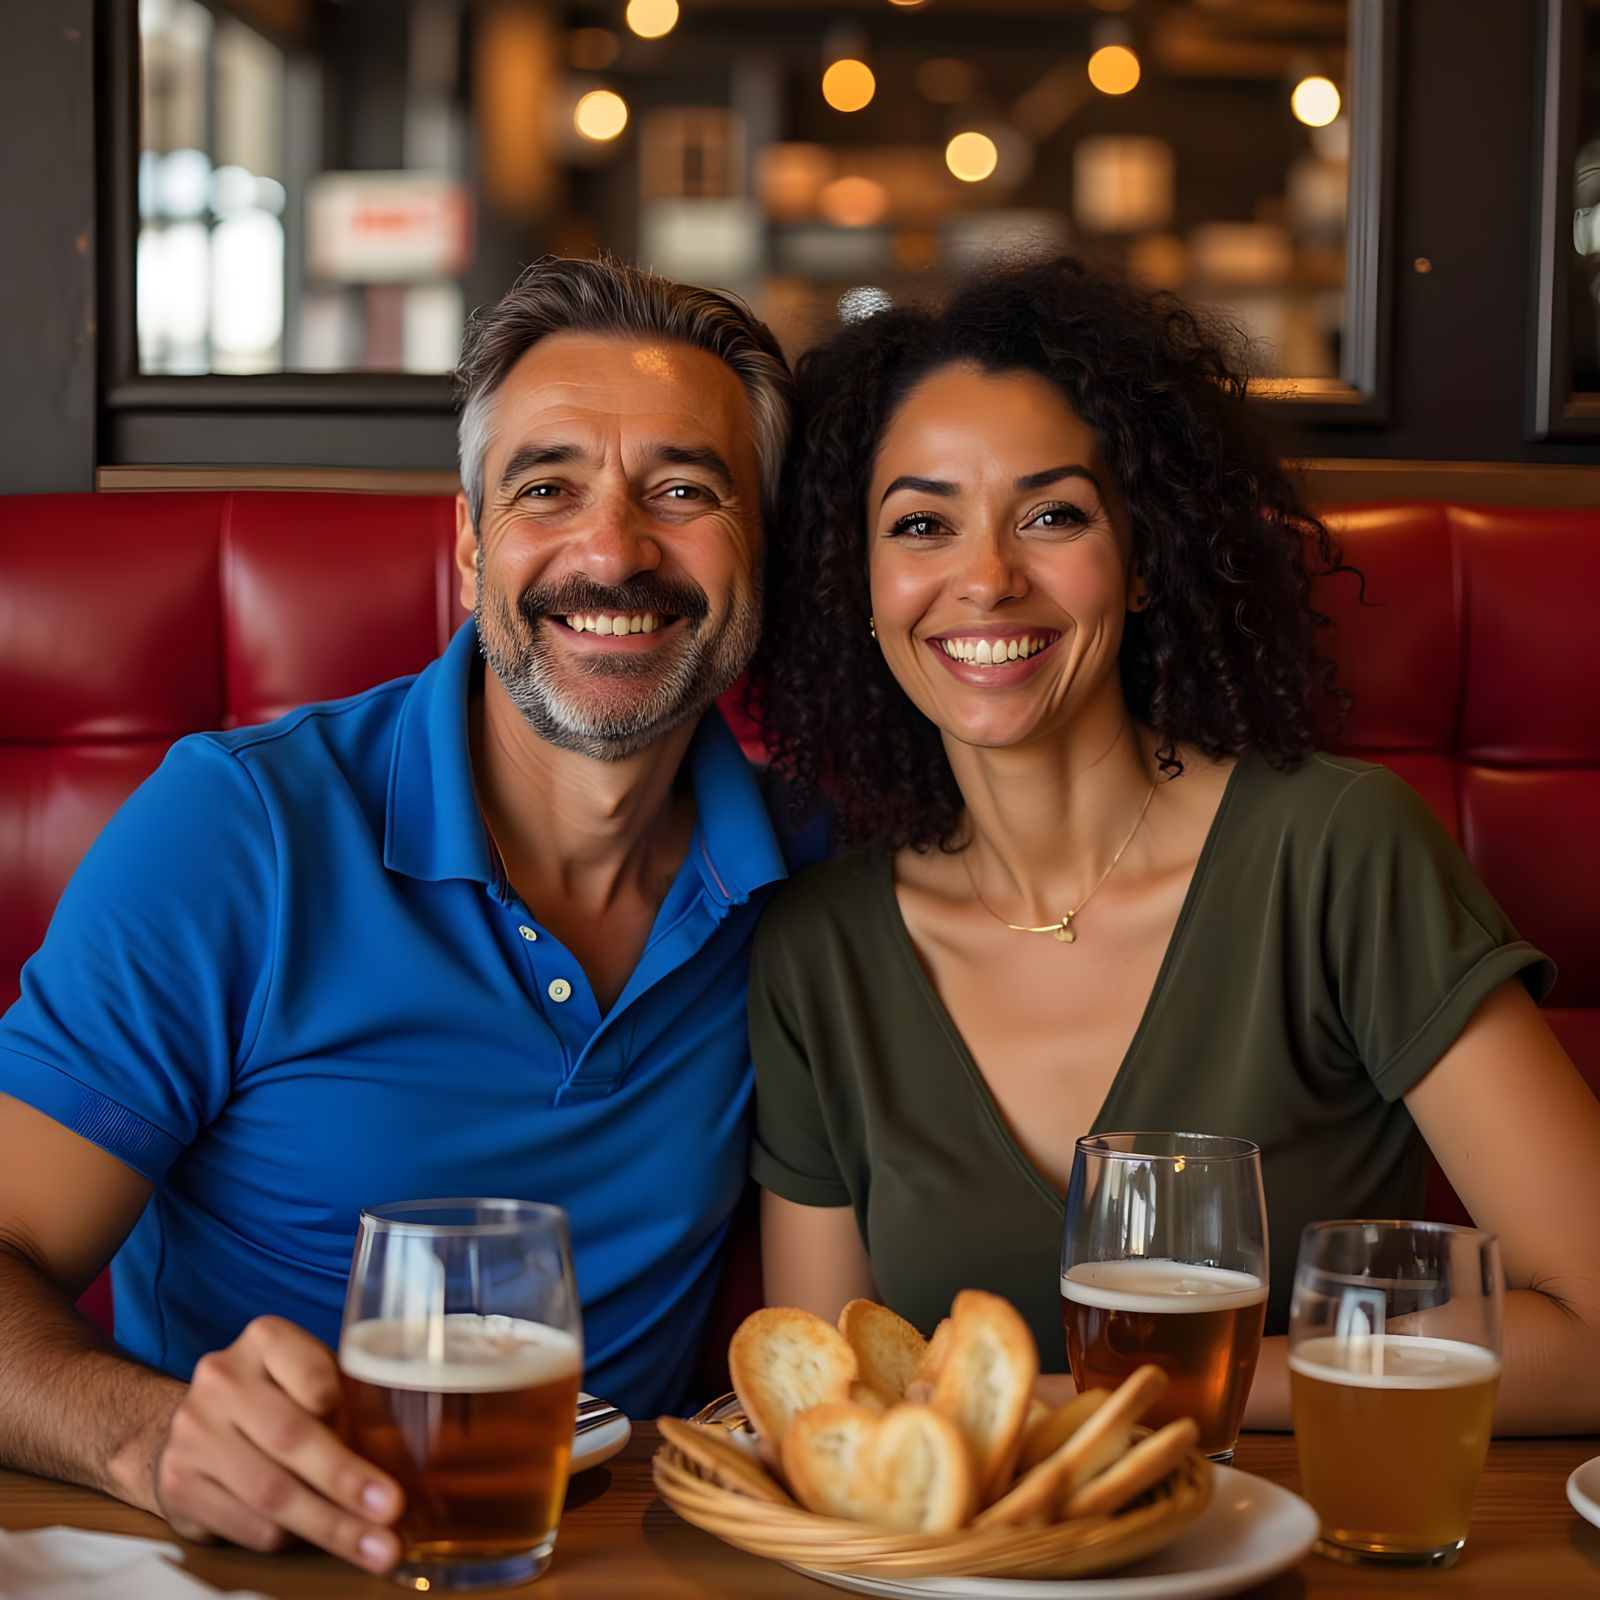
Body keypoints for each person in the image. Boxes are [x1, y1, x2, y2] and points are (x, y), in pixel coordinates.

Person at [0, 256, 816, 1572]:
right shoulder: (242, 832)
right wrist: (145, 1440)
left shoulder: (816, 878)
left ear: (760, 549)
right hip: (253, 1569)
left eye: (683, 490)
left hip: (623, 1563)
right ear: (471, 544)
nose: (613, 550)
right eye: (547, 488)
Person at [747, 255, 1600, 1433]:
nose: (985, 578)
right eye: (921, 524)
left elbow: (1591, 1326)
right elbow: (823, 1415)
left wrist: (1091, 1403)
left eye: (1052, 515)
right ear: (861, 582)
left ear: (1144, 559)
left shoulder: (1334, 854)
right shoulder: (817, 951)